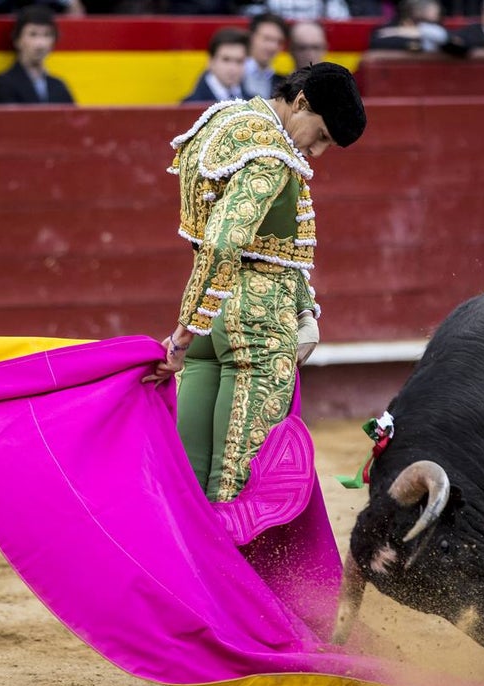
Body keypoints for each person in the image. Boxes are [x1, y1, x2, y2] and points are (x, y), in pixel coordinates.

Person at [148, 62, 366, 511]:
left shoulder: (224, 120)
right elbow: (226, 239)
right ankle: (227, 579)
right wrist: (182, 333)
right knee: (237, 483)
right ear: (301, 102)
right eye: (321, 135)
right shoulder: (270, 156)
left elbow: (257, 242)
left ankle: (185, 575)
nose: (316, 153)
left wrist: (197, 326)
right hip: (258, 326)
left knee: (190, 475)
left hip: (217, 319)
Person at [0, 4, 75, 105]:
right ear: (17, 40)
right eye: (33, 34)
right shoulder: (4, 83)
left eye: (47, 35)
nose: (40, 43)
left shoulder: (58, 86)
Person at [183, 28, 249, 105]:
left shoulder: (253, 102)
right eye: (226, 60)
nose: (233, 68)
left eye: (239, 61)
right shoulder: (190, 105)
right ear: (210, 62)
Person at [368, 0, 451, 53]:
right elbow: (376, 41)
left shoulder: (433, 29)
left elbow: (443, 37)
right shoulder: (388, 28)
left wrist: (417, 33)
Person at [242, 13, 289, 100]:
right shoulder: (234, 73)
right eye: (267, 39)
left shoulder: (284, 83)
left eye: (279, 42)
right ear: (251, 37)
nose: (273, 47)